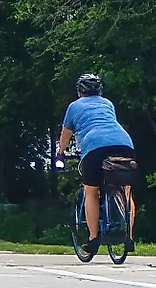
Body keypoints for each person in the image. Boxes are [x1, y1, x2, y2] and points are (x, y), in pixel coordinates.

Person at [55, 72, 137, 247]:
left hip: (94, 146)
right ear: (100, 91)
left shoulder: (74, 106)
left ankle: (93, 239)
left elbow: (65, 134)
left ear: (79, 91)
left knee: (91, 192)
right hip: (124, 143)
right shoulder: (108, 103)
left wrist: (60, 152)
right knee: (125, 190)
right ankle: (129, 237)